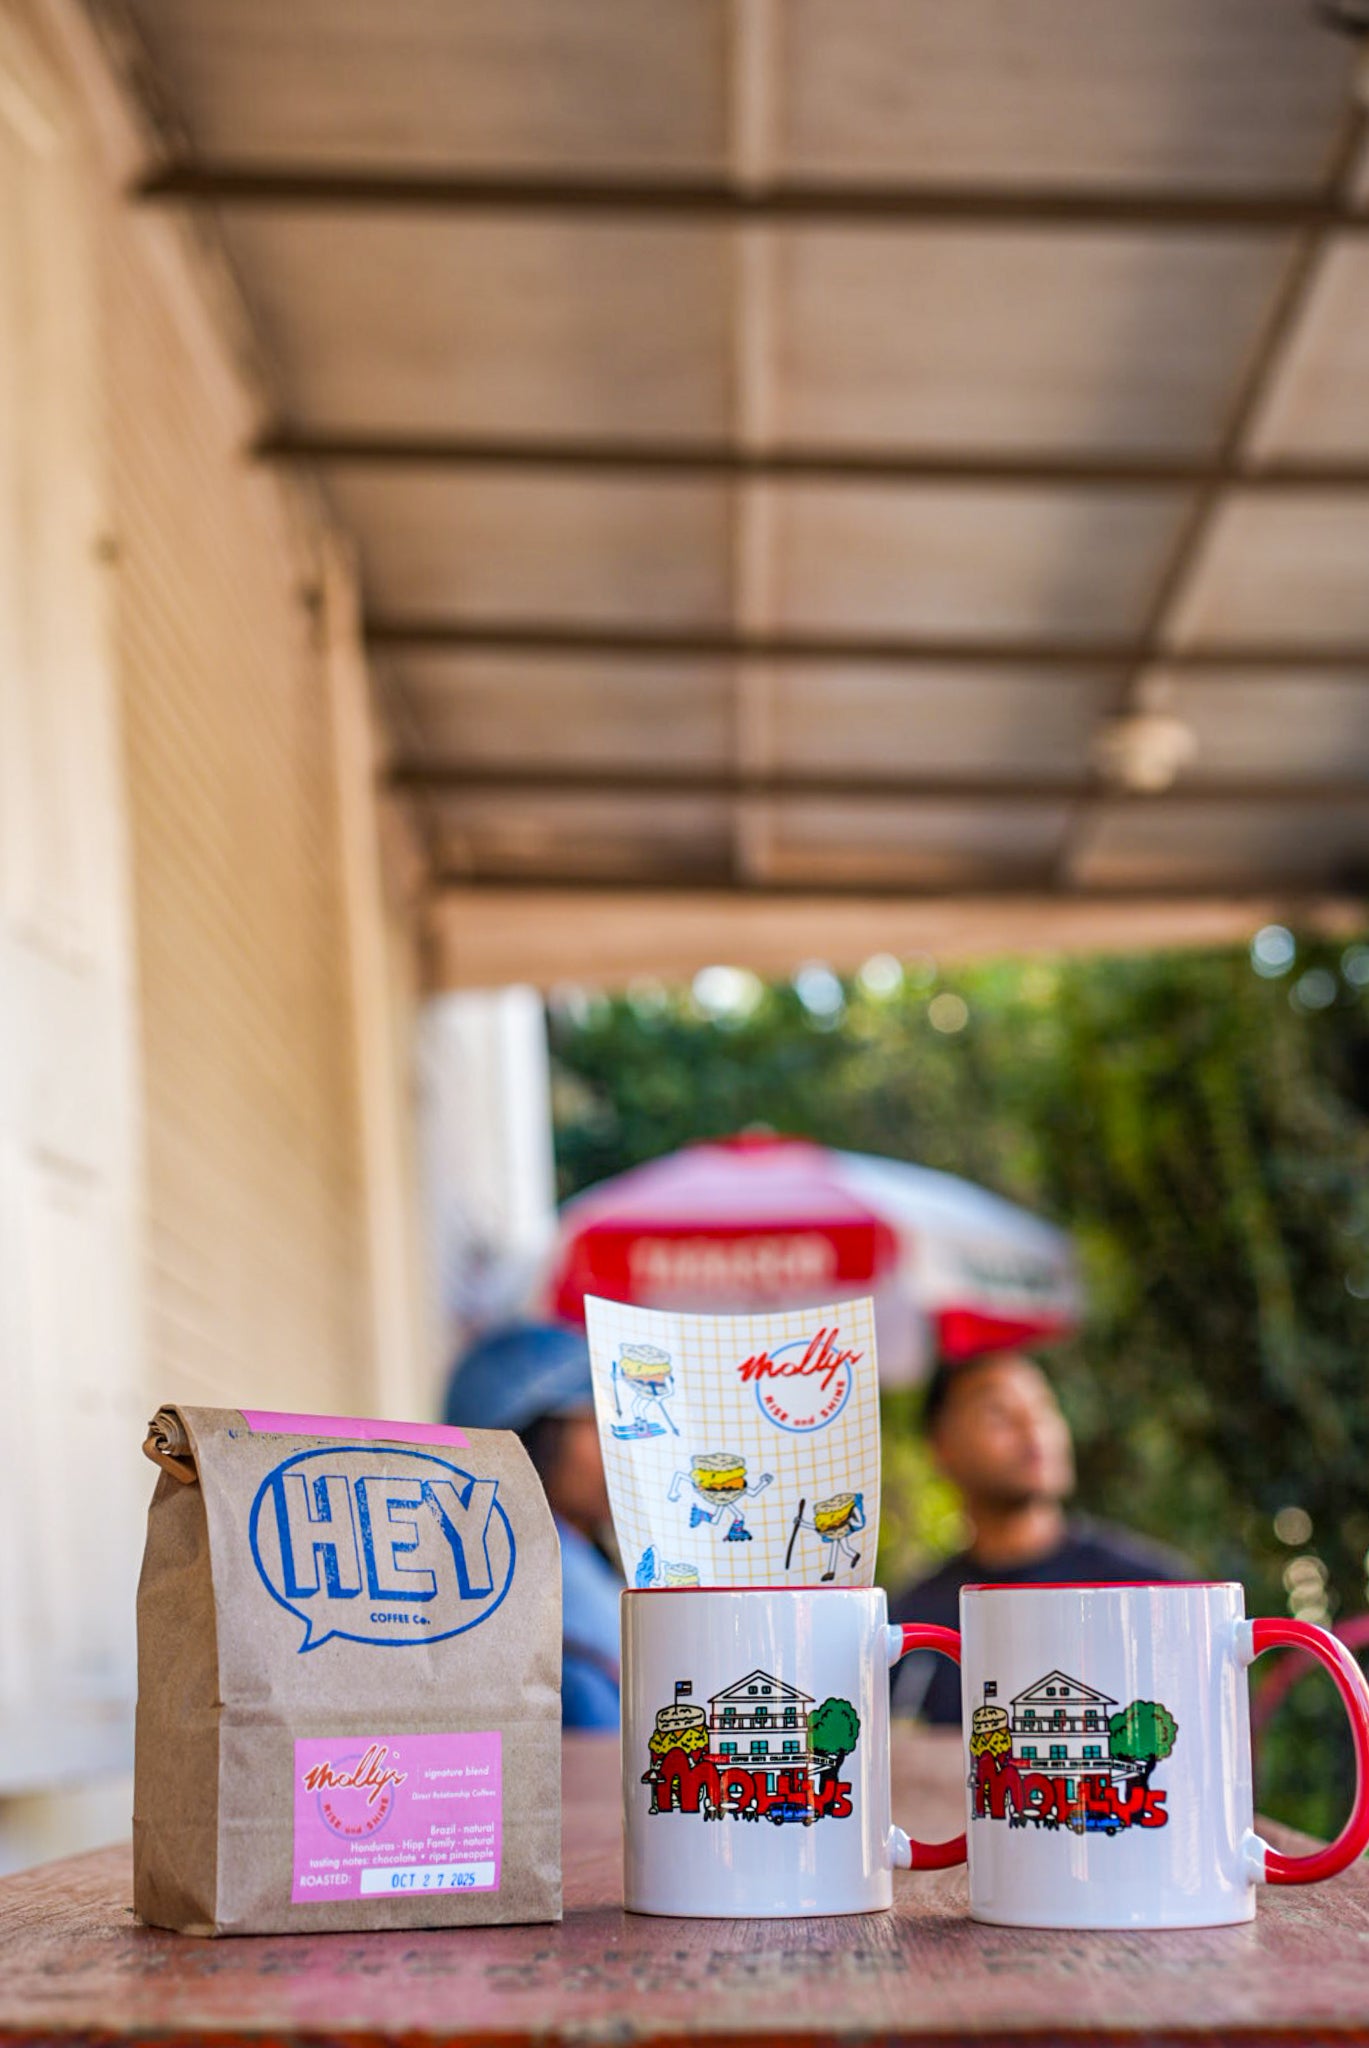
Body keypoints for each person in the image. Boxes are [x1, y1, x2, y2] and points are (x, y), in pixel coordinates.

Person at [890, 1350, 1188, 1725]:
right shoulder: (912, 1625)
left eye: (1043, 1407)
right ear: (942, 1447)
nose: (1033, 1430)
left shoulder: (1154, 1593)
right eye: (998, 1413)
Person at [444, 1320, 621, 1730]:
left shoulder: (579, 1551)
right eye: (597, 1424)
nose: (621, 1446)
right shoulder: (528, 1567)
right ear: (533, 1437)